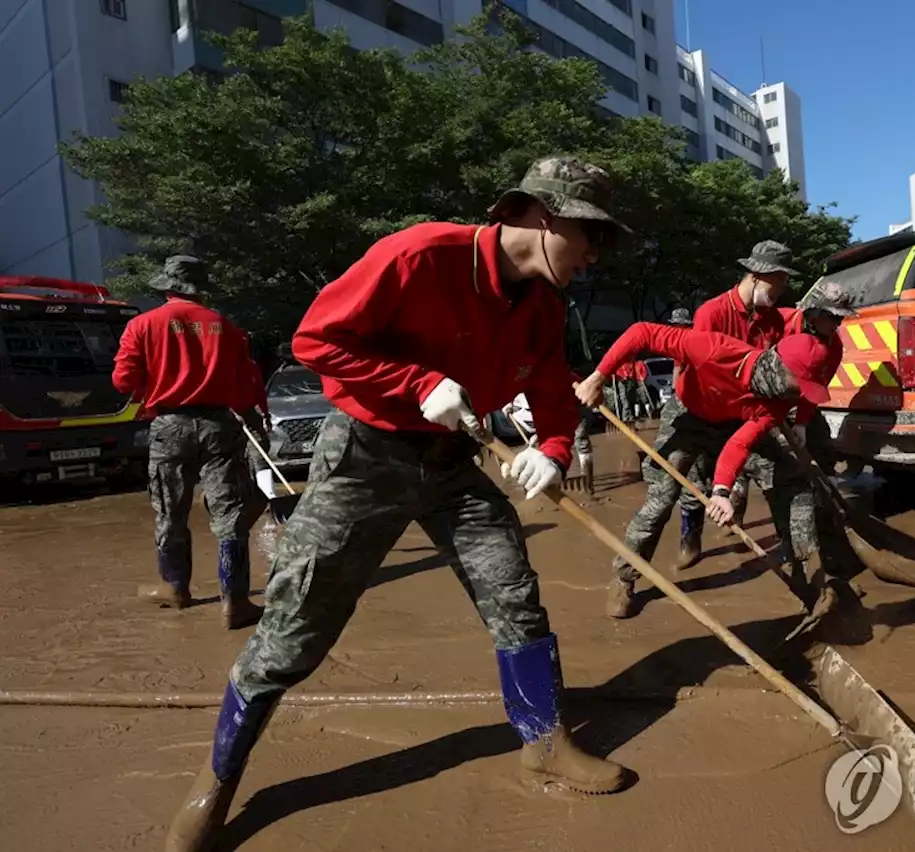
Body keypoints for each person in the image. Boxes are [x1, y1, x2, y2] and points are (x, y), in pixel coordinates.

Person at [163, 157, 632, 852]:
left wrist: (554, 451)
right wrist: (414, 382)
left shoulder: (541, 307)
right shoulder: (420, 255)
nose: (594, 256)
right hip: (365, 456)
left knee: (514, 593)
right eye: (589, 236)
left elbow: (557, 401)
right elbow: (313, 341)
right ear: (543, 215)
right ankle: (217, 780)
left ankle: (543, 741)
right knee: (295, 627)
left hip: (452, 464)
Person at [575, 317, 842, 619]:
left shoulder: (777, 402)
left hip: (731, 423)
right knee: (662, 498)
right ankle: (624, 578)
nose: (800, 396)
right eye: (800, 387)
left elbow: (739, 444)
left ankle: (808, 579)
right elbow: (642, 332)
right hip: (689, 412)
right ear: (779, 371)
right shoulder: (715, 349)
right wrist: (598, 377)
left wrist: (721, 492)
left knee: (792, 481)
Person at [111, 255, 266, 631]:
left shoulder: (141, 325)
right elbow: (248, 385)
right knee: (229, 515)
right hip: (219, 425)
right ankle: (235, 603)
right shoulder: (227, 328)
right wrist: (255, 419)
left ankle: (176, 589)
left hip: (169, 427)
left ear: (167, 287)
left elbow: (123, 381)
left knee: (170, 511)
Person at [676, 240, 800, 570]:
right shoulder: (711, 314)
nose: (784, 288)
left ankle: (794, 551)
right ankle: (689, 536)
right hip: (705, 407)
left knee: (778, 471)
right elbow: (702, 372)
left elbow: (767, 369)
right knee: (693, 483)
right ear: (757, 274)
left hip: (744, 410)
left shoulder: (772, 320)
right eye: (780, 279)